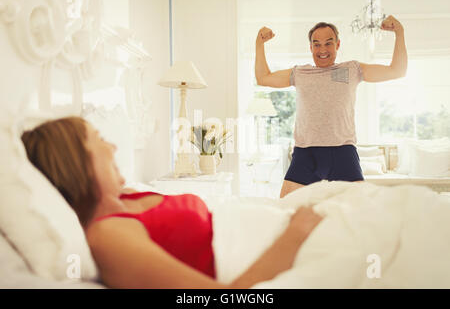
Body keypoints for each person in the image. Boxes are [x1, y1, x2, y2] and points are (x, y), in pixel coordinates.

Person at [21, 116, 323, 289]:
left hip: (296, 226)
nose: (112, 146)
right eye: (98, 138)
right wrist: (296, 234)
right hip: (294, 246)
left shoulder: (128, 197)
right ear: (75, 160)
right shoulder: (106, 236)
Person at [255, 15, 408, 198]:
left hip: (342, 151)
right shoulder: (300, 73)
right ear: (310, 47)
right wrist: (259, 43)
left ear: (338, 44)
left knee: (360, 209)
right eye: (317, 44)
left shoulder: (352, 70)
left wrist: (400, 32)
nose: (322, 49)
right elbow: (263, 78)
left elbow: (397, 70)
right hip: (306, 152)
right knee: (287, 207)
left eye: (328, 43)